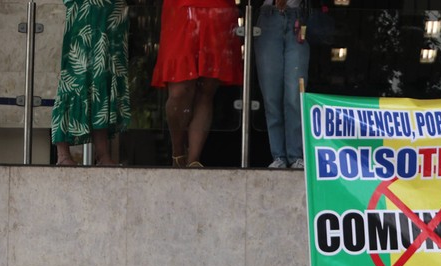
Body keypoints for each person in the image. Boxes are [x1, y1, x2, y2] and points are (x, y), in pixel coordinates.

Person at [150, 0, 242, 168]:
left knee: (206, 91)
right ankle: (178, 152)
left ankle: (193, 160)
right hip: (180, 9)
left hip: (218, 9)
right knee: (179, 91)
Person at [51, 0, 130, 166]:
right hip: (85, 8)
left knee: (105, 75)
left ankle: (103, 153)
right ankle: (63, 154)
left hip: (112, 11)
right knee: (77, 75)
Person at [254, 0, 310, 169]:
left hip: (297, 16)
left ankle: (296, 155)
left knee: (294, 94)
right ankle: (278, 155)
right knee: (271, 94)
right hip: (268, 15)